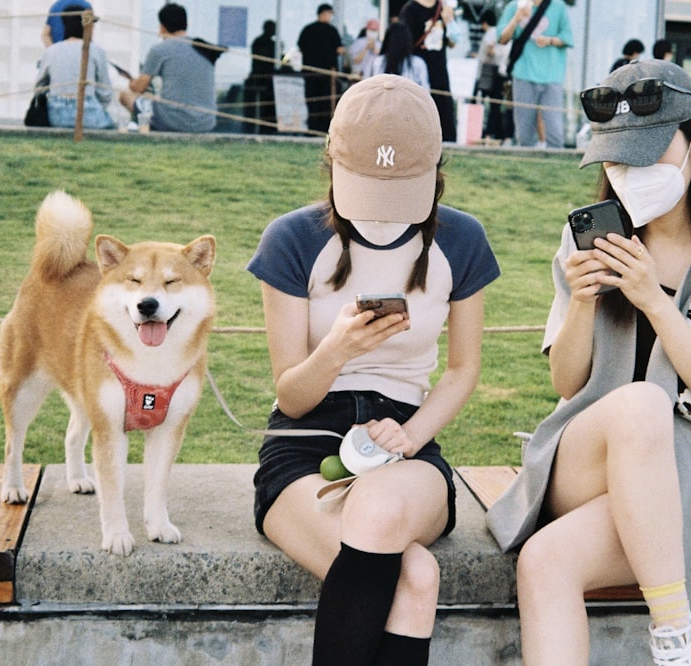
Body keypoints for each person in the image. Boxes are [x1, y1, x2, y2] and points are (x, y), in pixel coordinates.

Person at [486, 59, 691, 666]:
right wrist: (581, 301)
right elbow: (566, 383)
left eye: (648, 156)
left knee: (545, 562)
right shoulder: (591, 239)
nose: (629, 175)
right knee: (634, 405)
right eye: (616, 159)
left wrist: (655, 301)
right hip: (587, 461)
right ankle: (677, 641)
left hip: (690, 486)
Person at [247, 74, 500, 666]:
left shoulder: (461, 240)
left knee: (381, 509)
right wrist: (335, 350)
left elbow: (463, 369)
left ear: (435, 170)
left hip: (406, 442)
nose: (383, 218)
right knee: (415, 579)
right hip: (306, 445)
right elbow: (292, 395)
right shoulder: (292, 239)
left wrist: (411, 435)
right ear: (331, 160)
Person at [120, 3, 218, 133]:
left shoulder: (159, 50)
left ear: (161, 27)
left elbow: (139, 88)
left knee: (125, 94)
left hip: (173, 121)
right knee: (153, 99)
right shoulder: (205, 49)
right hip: (205, 122)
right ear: (187, 24)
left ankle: (139, 128)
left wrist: (132, 83)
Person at [497, 0, 574, 149]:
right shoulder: (514, 6)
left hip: (552, 75)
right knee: (524, 133)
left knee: (555, 132)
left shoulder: (558, 7)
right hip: (523, 74)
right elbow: (502, 38)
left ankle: (554, 166)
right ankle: (525, 166)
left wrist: (549, 40)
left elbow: (567, 37)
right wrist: (517, 18)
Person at [33, 4, 115, 129]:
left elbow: (39, 88)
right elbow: (106, 93)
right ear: (85, 26)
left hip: (56, 113)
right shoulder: (97, 51)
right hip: (89, 112)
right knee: (113, 125)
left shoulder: (52, 51)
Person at [399, 0, 459, 143]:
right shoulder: (410, 10)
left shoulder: (444, 8)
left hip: (439, 70)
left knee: (443, 110)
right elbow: (405, 42)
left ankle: (446, 142)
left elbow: (452, 43)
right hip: (417, 72)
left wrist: (449, 21)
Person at [298, 4, 346, 133]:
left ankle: (313, 127)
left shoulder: (308, 30)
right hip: (326, 73)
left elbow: (301, 48)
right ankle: (324, 128)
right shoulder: (331, 31)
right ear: (324, 14)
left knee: (313, 101)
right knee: (324, 101)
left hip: (311, 72)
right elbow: (340, 49)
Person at [475, 9, 513, 142]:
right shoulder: (506, 32)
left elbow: (489, 50)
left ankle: (487, 132)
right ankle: (498, 134)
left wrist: (495, 55)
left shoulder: (492, 32)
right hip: (501, 72)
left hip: (490, 73)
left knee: (487, 103)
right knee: (497, 105)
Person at [363, 22, 430, 89]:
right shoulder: (418, 63)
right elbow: (425, 90)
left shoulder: (377, 62)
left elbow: (367, 86)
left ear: (387, 41)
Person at [245, 19, 279, 134]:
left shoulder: (262, 42)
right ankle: (262, 128)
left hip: (265, 78)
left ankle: (267, 127)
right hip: (263, 78)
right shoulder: (264, 43)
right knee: (263, 106)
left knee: (268, 106)